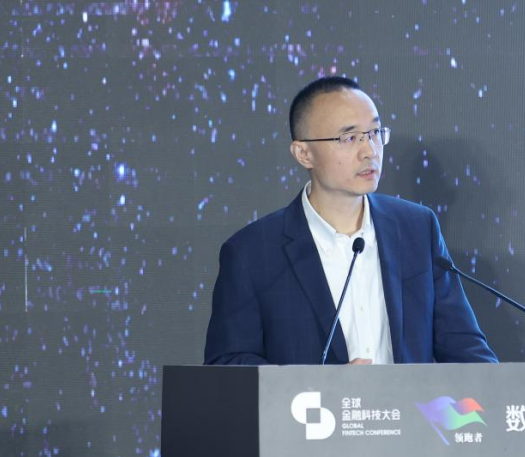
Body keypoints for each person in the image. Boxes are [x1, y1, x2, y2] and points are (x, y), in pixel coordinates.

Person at [204, 76, 497, 365]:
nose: (370, 151)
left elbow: (464, 347)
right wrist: (324, 386)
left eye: (375, 133)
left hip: (409, 400)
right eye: (349, 138)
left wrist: (501, 385)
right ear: (304, 153)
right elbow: (228, 364)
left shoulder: (417, 228)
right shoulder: (253, 253)